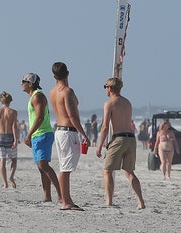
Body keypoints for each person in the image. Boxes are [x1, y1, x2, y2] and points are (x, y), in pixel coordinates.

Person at [95, 77, 145, 209]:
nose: (105, 89)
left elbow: (105, 126)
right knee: (129, 171)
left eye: (105, 86)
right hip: (131, 138)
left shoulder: (109, 103)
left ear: (110, 88)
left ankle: (109, 200)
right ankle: (141, 201)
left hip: (119, 138)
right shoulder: (127, 102)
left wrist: (99, 145)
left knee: (107, 170)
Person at [49, 62, 90, 211]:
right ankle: (65, 201)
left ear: (54, 76)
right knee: (65, 168)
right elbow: (72, 115)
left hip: (59, 130)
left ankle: (66, 199)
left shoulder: (53, 91)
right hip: (68, 131)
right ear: (68, 73)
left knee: (64, 166)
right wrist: (83, 133)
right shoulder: (67, 91)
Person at [21, 73, 62, 204]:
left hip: (42, 133)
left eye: (24, 81)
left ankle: (61, 195)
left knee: (43, 165)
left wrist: (28, 134)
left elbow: (40, 117)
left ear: (30, 83)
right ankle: (47, 196)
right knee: (41, 167)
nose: (21, 83)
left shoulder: (37, 96)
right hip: (38, 134)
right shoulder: (33, 96)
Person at [0, 91, 19, 188]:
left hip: (0, 137)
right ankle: (11, 176)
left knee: (2, 161)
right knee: (14, 160)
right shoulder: (13, 112)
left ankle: (5, 183)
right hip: (10, 137)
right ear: (10, 101)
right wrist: (16, 140)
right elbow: (14, 127)